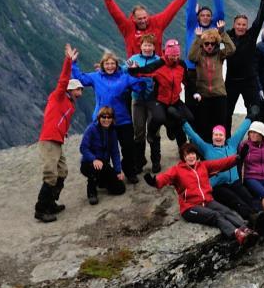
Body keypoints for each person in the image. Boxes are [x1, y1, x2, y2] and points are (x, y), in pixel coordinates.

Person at [144, 142, 258, 247]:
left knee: (226, 211)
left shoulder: (203, 166)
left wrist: (237, 158)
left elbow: (220, 163)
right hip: (190, 207)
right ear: (183, 157)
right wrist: (155, 182)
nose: (191, 156)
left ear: (196, 154)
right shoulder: (177, 170)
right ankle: (237, 234)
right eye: (187, 154)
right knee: (215, 215)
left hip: (207, 201)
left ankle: (245, 229)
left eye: (192, 153)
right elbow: (165, 177)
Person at [181, 118, 264, 234]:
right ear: (212, 136)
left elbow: (241, 130)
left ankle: (262, 215)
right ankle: (252, 217)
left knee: (247, 196)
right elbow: (194, 136)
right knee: (235, 200)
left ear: (225, 137)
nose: (218, 137)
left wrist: (249, 118)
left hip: (234, 182)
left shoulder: (231, 144)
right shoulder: (206, 148)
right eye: (216, 135)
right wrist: (183, 123)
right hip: (218, 186)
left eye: (221, 135)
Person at [71, 50, 140, 183]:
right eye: (107, 64)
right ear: (102, 65)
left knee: (128, 147)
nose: (110, 66)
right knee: (102, 149)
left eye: (112, 63)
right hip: (102, 120)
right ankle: (103, 175)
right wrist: (73, 63)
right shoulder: (96, 77)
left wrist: (134, 72)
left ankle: (129, 171)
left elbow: (139, 87)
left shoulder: (123, 77)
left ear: (116, 65)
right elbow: (80, 79)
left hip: (122, 119)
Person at [126, 38, 193, 171]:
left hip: (174, 100)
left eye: (177, 55)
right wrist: (133, 70)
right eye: (172, 55)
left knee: (186, 120)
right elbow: (145, 70)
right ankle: (146, 145)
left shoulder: (181, 64)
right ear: (167, 54)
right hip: (156, 100)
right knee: (154, 122)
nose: (175, 57)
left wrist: (195, 92)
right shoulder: (159, 63)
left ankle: (181, 154)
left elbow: (186, 80)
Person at [35, 44, 84, 223]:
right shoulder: (59, 96)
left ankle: (51, 202)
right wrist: (68, 61)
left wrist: (63, 133)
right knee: (51, 173)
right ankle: (41, 210)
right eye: (79, 89)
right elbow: (63, 80)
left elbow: (60, 120)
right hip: (49, 140)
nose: (81, 91)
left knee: (62, 171)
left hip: (57, 140)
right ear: (70, 90)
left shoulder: (70, 104)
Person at [95, 0, 191, 57]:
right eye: (140, 19)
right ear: (134, 19)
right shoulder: (128, 27)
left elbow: (172, 8)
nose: (143, 20)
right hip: (136, 70)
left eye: (145, 17)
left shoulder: (157, 22)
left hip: (156, 69)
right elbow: (115, 13)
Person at [225, 0, 264, 127]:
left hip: (249, 81)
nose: (241, 27)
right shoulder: (226, 36)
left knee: (255, 112)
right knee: (226, 112)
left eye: (244, 25)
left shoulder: (251, 36)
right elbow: (213, 45)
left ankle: (256, 143)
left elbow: (259, 20)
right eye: (238, 24)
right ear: (234, 24)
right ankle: (225, 142)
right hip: (231, 81)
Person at [183, 0, 225, 103]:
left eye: (208, 15)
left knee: (207, 103)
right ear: (198, 17)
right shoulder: (192, 26)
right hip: (192, 69)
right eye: (202, 15)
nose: (205, 17)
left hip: (209, 69)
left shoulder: (214, 27)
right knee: (191, 103)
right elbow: (190, 9)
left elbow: (220, 11)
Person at [188, 23, 235, 139]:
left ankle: (220, 149)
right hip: (203, 95)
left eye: (212, 43)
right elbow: (191, 57)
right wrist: (198, 39)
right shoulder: (199, 56)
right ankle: (205, 151)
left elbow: (232, 49)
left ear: (216, 44)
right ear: (202, 44)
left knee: (220, 124)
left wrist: (222, 33)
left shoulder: (219, 55)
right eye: (206, 43)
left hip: (219, 94)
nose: (209, 46)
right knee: (203, 125)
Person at [126, 33, 161, 176]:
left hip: (153, 99)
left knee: (154, 130)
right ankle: (139, 161)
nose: (147, 48)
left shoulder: (159, 60)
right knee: (138, 131)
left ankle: (156, 161)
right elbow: (123, 71)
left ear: (154, 46)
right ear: (141, 46)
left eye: (150, 45)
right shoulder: (133, 59)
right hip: (138, 100)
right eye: (145, 45)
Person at [79, 107, 126, 205]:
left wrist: (118, 171)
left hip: (103, 164)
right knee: (95, 168)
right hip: (88, 163)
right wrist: (94, 159)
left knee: (120, 189)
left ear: (112, 119)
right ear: (99, 117)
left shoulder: (112, 131)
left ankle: (101, 181)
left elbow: (115, 152)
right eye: (103, 117)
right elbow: (83, 148)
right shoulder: (91, 129)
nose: (106, 119)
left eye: (109, 117)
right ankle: (92, 192)